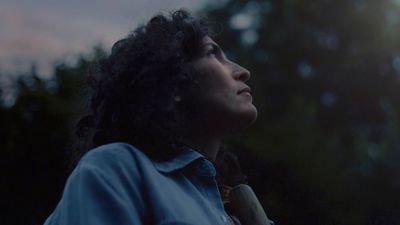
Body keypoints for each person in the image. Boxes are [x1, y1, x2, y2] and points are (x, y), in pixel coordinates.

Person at [43, 9, 270, 225]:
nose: (242, 71)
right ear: (172, 82)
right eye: (212, 53)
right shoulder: (117, 168)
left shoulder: (233, 208)